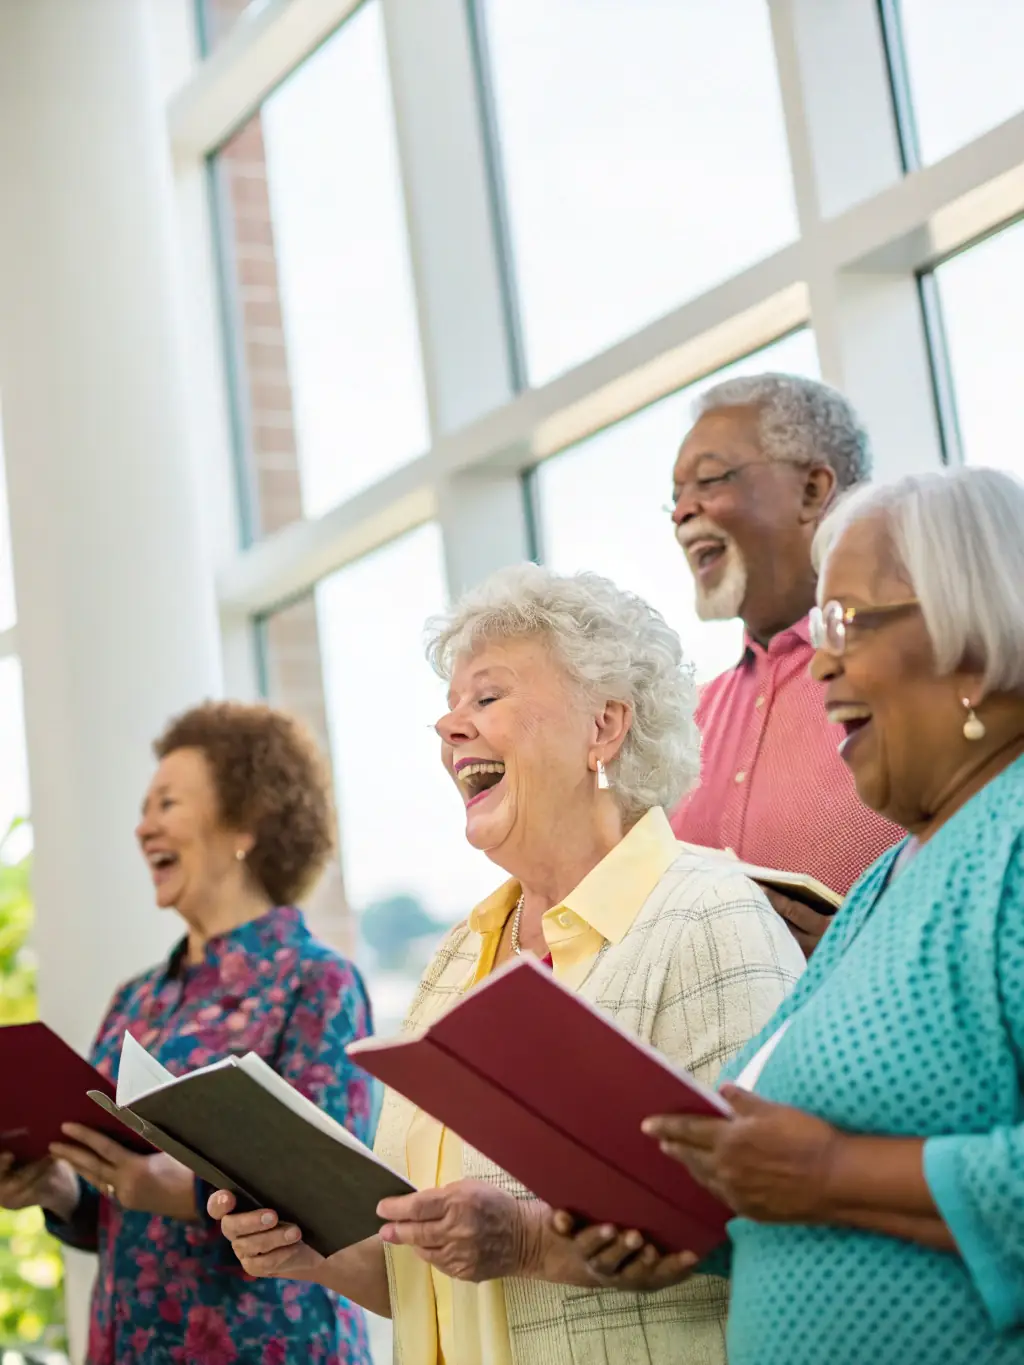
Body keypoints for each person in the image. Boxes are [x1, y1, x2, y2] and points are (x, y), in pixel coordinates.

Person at [210, 566, 805, 1365]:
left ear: (605, 726)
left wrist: (527, 1241)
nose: (449, 727)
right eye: (451, 705)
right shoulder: (461, 955)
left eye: (486, 698)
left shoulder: (710, 914)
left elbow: (775, 1223)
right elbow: (424, 1271)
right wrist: (306, 1246)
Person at [563, 466, 1024, 1364]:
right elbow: (787, 1183)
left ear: (974, 641)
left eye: (847, 621)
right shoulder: (892, 877)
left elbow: (824, 1176)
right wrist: (692, 1220)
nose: (818, 659)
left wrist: (833, 1175)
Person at [0, 702, 376, 1365]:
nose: (143, 827)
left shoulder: (318, 983)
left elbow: (334, 1207)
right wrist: (63, 1190)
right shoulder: (136, 996)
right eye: (145, 808)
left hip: (272, 1346)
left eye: (167, 803)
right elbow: (112, 1206)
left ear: (246, 821)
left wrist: (177, 1191)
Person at [668, 372, 902, 953]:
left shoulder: (920, 678)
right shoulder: (683, 720)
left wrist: (867, 955)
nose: (682, 512)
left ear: (813, 490)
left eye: (708, 480)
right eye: (675, 495)